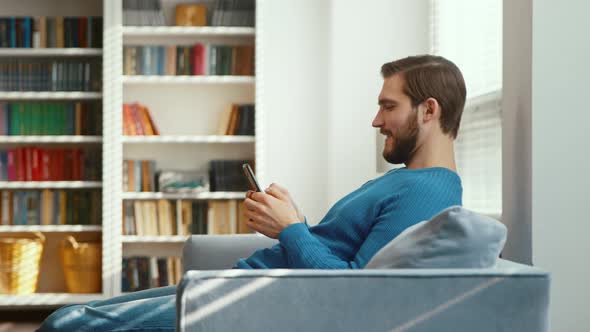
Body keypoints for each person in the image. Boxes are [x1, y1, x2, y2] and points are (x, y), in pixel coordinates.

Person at [38, 54, 466, 331]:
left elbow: (351, 294)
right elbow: (343, 254)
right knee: (69, 317)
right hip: (239, 283)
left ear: (429, 110)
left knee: (66, 324)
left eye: (388, 106)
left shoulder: (428, 192)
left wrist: (292, 230)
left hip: (253, 301)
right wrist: (294, 222)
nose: (376, 120)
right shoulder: (406, 181)